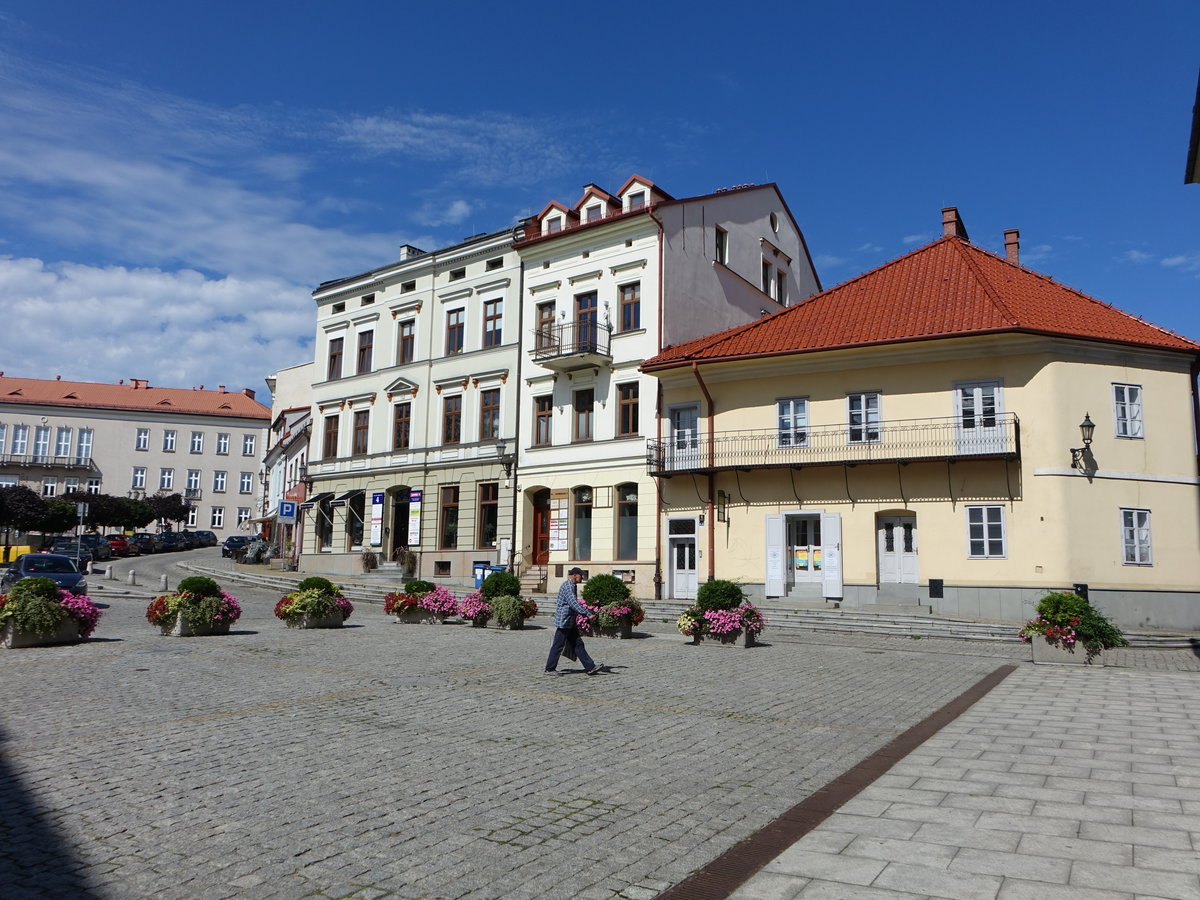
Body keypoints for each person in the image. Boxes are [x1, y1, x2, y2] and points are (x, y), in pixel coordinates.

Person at [544, 567, 601, 676]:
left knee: (578, 644)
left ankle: (590, 667)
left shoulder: (572, 585)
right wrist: (588, 614)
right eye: (581, 575)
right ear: (574, 575)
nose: (582, 577)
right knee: (558, 645)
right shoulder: (568, 586)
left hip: (569, 621)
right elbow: (573, 603)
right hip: (564, 621)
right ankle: (550, 669)